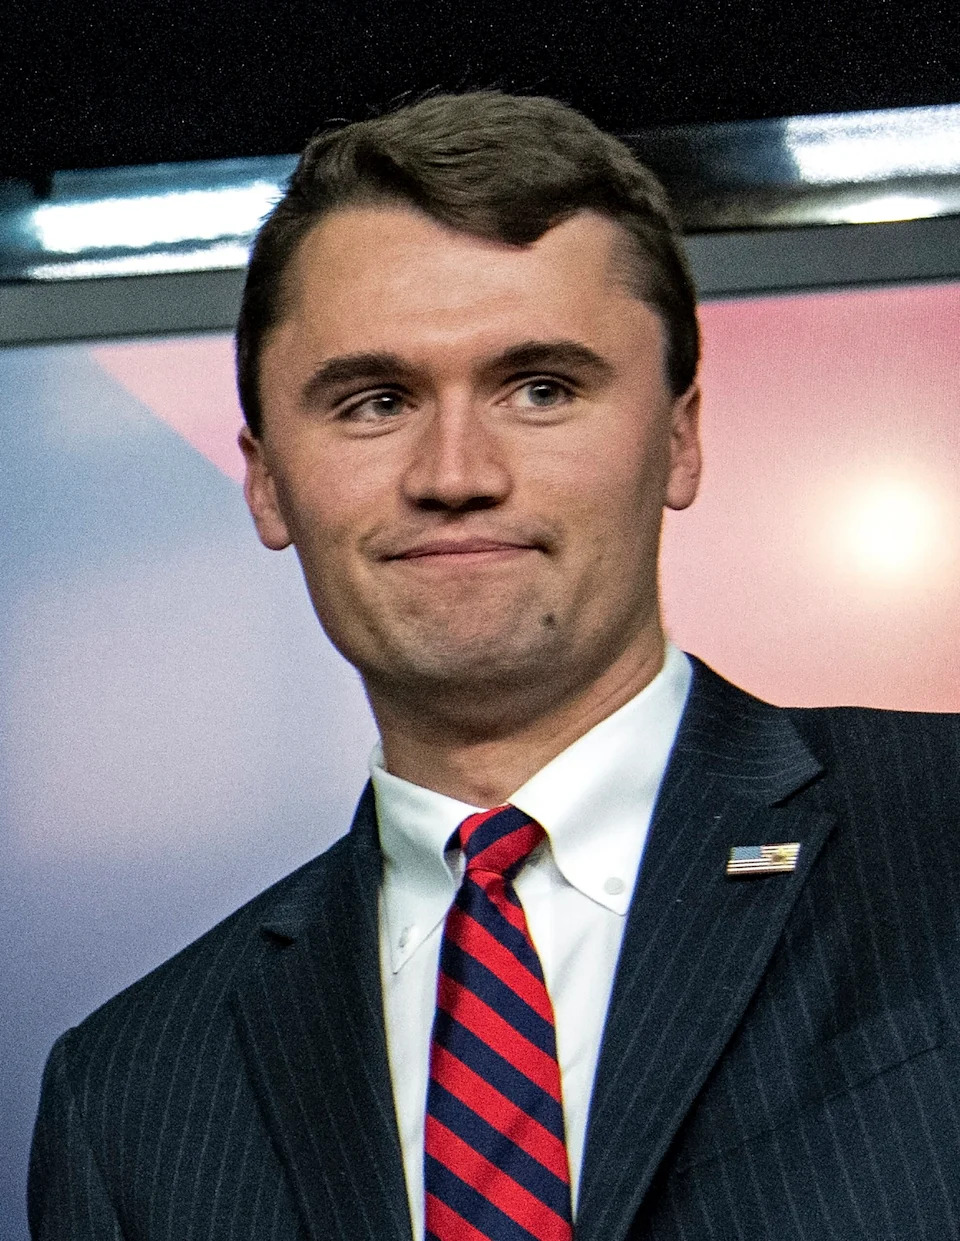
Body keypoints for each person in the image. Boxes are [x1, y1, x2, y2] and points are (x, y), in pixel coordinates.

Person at [29, 91, 960, 1241]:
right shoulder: (130, 1096)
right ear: (266, 480)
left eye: (541, 389)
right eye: (374, 401)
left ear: (681, 437)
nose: (456, 470)